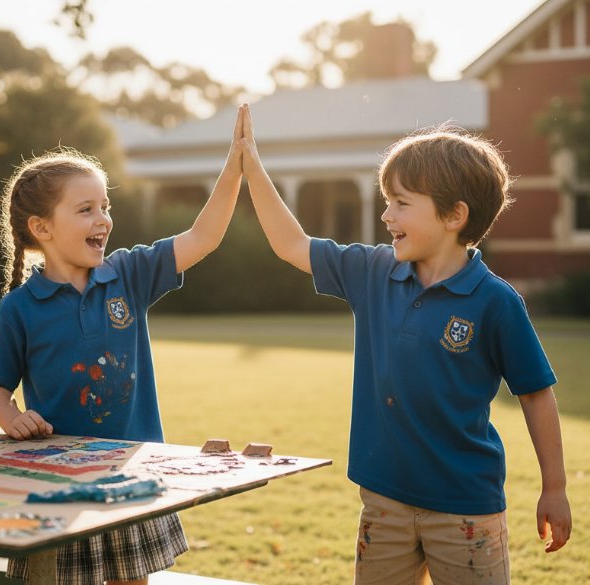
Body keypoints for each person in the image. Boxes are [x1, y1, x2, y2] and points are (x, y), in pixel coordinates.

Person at [238, 103, 571, 584]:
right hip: (384, 500)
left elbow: (536, 394)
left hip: (465, 509)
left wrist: (554, 488)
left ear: (455, 215)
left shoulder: (496, 302)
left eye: (401, 202)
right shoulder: (373, 271)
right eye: (386, 199)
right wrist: (253, 168)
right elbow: (292, 244)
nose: (386, 213)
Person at [0, 106, 247, 585]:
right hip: (59, 484)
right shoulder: (19, 308)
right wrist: (12, 418)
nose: (103, 219)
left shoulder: (128, 274)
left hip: (129, 473)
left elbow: (203, 237)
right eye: (86, 210)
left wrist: (235, 165)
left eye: (105, 207)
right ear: (42, 228)